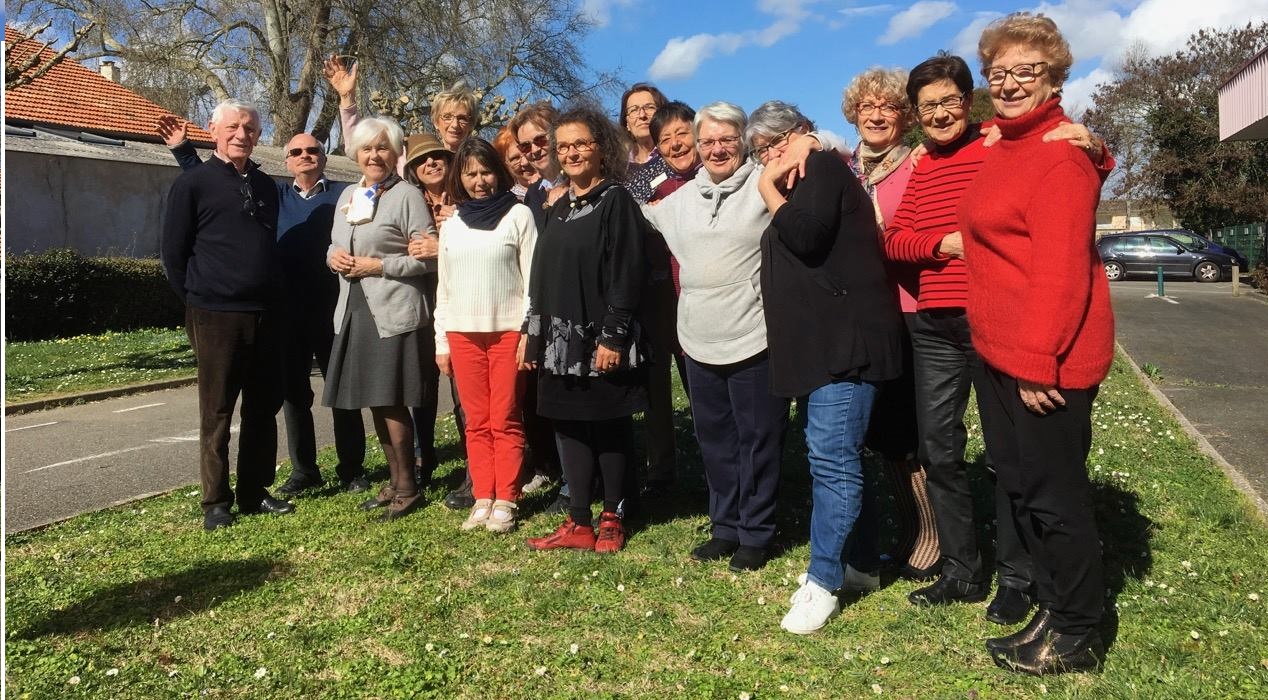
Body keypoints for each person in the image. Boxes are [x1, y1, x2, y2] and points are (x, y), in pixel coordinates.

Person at [886, 51, 1112, 628]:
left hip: (995, 321)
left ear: (970, 102)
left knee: (1011, 461)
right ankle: (961, 568)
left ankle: (1017, 578)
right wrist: (943, 245)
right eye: (927, 106)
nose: (938, 115)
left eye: (948, 102)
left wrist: (1097, 145)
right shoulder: (922, 167)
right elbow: (896, 240)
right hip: (935, 323)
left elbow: (1064, 170)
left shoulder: (997, 143)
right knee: (940, 449)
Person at [963, 12, 1115, 675]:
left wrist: (1036, 361)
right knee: (1023, 488)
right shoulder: (1004, 143)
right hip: (997, 349)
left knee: (1055, 500)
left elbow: (1059, 275)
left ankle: (1080, 630)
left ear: (1055, 77)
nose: (1010, 83)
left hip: (1045, 358)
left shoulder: (1061, 155)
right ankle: (1052, 608)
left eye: (1027, 71)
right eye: (998, 73)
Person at [747, 101, 904, 634]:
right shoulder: (811, 176)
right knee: (834, 458)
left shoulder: (824, 167)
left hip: (846, 348)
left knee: (832, 459)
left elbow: (808, 237)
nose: (768, 160)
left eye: (773, 146)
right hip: (820, 348)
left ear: (800, 134)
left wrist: (767, 188)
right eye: (760, 153)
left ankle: (823, 582)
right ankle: (859, 565)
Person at [156, 118, 370, 498]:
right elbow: (213, 192)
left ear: (325, 157)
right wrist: (184, 152)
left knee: (336, 393)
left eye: (314, 150)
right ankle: (302, 471)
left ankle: (349, 469)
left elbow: (373, 197)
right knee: (289, 397)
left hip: (328, 310)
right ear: (285, 161)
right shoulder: (276, 193)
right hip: (279, 313)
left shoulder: (342, 196)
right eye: (296, 152)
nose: (306, 156)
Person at [641, 102, 789, 572]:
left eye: (727, 139)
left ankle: (756, 531)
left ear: (742, 141)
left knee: (757, 439)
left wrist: (806, 140)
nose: (717, 148)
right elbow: (631, 210)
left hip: (754, 335)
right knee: (716, 441)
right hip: (698, 339)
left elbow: (817, 156)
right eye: (708, 141)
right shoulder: (678, 202)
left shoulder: (765, 184)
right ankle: (724, 526)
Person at [160, 99, 292, 531]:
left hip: (266, 314)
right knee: (217, 411)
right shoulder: (193, 183)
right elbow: (173, 254)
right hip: (215, 314)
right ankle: (216, 502)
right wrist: (199, 299)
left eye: (250, 128)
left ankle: (255, 491)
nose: (242, 134)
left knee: (262, 408)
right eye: (233, 127)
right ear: (213, 131)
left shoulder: (267, 185)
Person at [522, 104, 648, 554]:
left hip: (600, 341)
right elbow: (541, 274)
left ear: (600, 149)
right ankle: (578, 520)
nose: (571, 153)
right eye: (564, 147)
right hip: (559, 342)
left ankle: (612, 517)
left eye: (581, 144)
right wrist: (533, 333)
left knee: (608, 424)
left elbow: (626, 273)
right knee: (568, 425)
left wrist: (612, 337)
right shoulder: (557, 207)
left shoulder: (616, 201)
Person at [840, 68, 941, 581]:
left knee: (917, 428)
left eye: (890, 107)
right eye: (867, 107)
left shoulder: (919, 164)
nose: (877, 116)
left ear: (906, 117)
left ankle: (930, 534)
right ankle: (907, 529)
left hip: (911, 309)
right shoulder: (841, 167)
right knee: (884, 433)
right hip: (862, 317)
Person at [323, 116, 438, 522]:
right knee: (374, 399)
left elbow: (427, 259)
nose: (374, 155)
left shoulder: (406, 194)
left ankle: (408, 485)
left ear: (394, 154)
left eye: (383, 148)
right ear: (356, 154)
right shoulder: (349, 195)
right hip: (354, 306)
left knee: (390, 400)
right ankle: (394, 478)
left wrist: (379, 265)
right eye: (368, 148)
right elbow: (336, 243)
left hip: (392, 307)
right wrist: (332, 257)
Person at [431, 137, 537, 533]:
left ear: (499, 172)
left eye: (486, 171)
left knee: (505, 417)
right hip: (463, 334)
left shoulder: (519, 216)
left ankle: (506, 496)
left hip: (508, 333)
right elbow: (444, 287)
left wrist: (528, 331)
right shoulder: (452, 224)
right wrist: (442, 341)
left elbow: (533, 283)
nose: (480, 181)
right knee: (476, 421)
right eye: (471, 173)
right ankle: (482, 496)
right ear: (460, 177)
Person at [400, 133, 467, 489]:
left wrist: (442, 246)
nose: (430, 163)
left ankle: (475, 467)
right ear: (412, 169)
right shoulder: (409, 201)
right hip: (420, 299)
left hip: (462, 300)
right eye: (421, 160)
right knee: (420, 387)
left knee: (463, 388)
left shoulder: (468, 195)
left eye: (436, 157)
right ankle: (424, 456)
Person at [508, 102, 569, 234]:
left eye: (540, 140)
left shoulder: (581, 183)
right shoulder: (533, 194)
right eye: (525, 146)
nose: (534, 150)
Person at [619, 82, 670, 203]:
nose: (642, 115)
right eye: (634, 110)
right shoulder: (618, 170)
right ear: (627, 123)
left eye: (649, 107)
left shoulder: (675, 156)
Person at [493, 126, 541, 201]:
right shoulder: (506, 202)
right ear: (505, 165)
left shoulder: (561, 183)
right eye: (515, 158)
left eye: (527, 152)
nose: (525, 163)